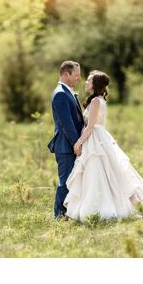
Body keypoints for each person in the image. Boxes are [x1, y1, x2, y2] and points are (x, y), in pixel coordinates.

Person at [64, 72, 143, 223]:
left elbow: (91, 127)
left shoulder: (97, 102)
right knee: (100, 173)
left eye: (89, 80)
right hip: (96, 138)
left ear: (95, 84)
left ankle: (103, 207)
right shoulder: (95, 100)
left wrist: (78, 143)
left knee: (102, 171)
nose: (85, 82)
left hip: (96, 139)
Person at [48, 60, 86, 219]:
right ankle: (59, 214)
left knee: (72, 180)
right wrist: (76, 143)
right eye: (76, 75)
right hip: (66, 145)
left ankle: (70, 212)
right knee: (66, 181)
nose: (79, 78)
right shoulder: (61, 94)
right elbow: (67, 124)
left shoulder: (68, 91)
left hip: (72, 145)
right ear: (66, 74)